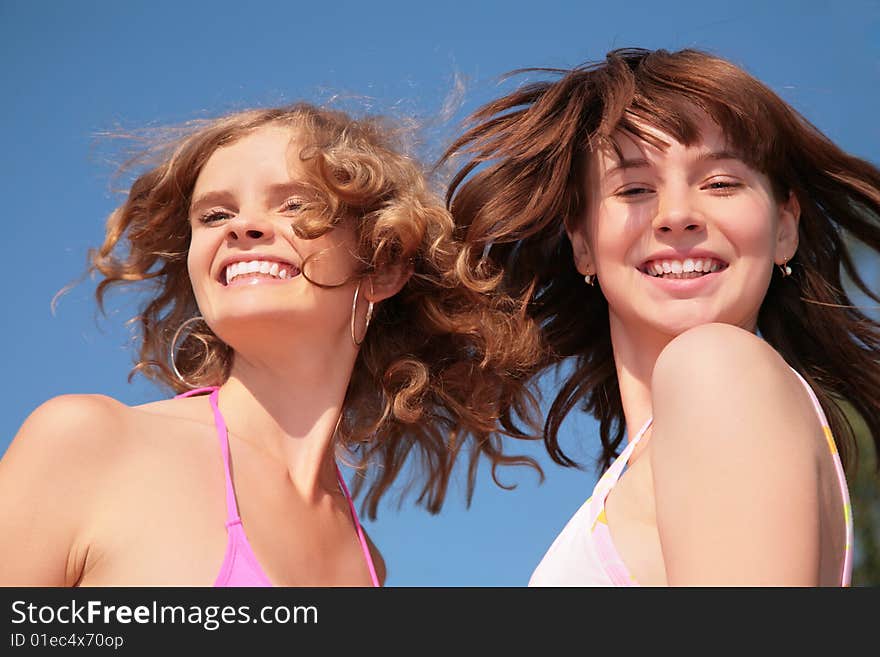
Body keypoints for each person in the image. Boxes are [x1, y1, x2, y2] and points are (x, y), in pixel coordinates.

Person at [0, 102, 541, 586]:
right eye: (215, 215)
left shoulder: (368, 565)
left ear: (383, 265)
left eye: (295, 206)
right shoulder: (88, 445)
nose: (244, 226)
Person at [443, 48, 880, 586]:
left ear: (784, 228)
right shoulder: (663, 449)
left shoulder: (719, 369)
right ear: (582, 245)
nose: (676, 216)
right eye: (634, 189)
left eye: (720, 183)